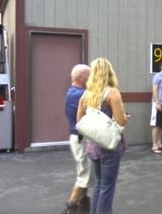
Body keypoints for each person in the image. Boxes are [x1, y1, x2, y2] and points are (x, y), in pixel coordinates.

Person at [77, 58, 128, 214]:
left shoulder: (86, 95)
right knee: (107, 187)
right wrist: (125, 116)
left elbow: (79, 121)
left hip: (92, 146)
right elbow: (121, 121)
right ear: (109, 72)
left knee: (99, 184)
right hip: (108, 147)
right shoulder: (112, 93)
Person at [62, 64, 91, 214]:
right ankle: (70, 205)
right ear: (80, 77)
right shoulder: (80, 94)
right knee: (84, 173)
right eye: (88, 75)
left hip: (77, 138)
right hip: (80, 138)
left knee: (83, 168)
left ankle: (84, 199)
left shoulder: (72, 91)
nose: (91, 78)